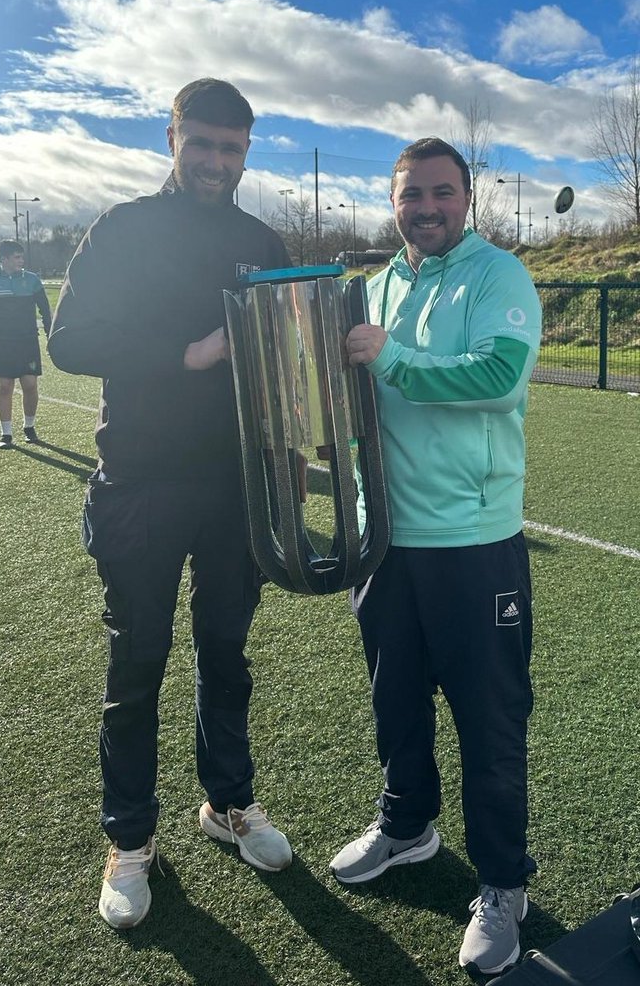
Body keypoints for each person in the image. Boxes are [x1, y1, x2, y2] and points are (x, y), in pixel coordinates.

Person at [48, 78, 295, 932]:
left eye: (233, 149)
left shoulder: (263, 239)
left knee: (225, 651)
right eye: (203, 145)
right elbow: (69, 341)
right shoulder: (122, 227)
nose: (216, 163)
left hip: (236, 486)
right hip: (141, 480)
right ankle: (130, 841)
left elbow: (282, 357)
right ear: (172, 138)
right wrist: (183, 353)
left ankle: (227, 804)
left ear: (246, 151)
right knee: (137, 664)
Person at [330, 138, 542, 977]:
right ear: (394, 204)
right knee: (395, 702)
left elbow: (499, 375)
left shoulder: (498, 276)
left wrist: (394, 359)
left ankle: (502, 886)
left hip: (474, 544)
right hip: (386, 541)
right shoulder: (378, 284)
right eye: (411, 194)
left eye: (441, 192)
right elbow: (357, 400)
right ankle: (408, 827)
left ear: (468, 198)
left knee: (490, 723)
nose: (426, 207)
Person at [0, 239, 52, 448]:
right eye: (17, 257)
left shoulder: (33, 280)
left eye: (21, 256)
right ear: (4, 259)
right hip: (2, 342)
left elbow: (45, 310)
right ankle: (6, 434)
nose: (21, 260)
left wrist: (50, 334)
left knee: (30, 384)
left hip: (27, 341)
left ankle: (29, 427)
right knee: (5, 386)